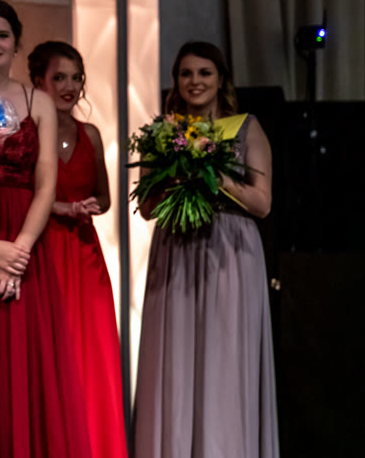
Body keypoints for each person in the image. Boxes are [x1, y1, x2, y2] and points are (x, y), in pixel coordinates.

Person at [0, 0, 91, 458]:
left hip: (26, 240)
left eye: (2, 35)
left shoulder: (37, 102)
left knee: (26, 357)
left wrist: (18, 251)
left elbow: (46, 184)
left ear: (16, 42)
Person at [132, 41, 279, 458]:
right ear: (176, 81)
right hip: (176, 249)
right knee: (176, 358)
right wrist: (173, 174)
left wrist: (213, 172)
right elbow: (147, 208)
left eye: (204, 73)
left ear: (221, 80)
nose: (194, 81)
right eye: (186, 74)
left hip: (230, 252)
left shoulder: (246, 127)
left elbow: (262, 203)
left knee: (225, 357)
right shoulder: (161, 133)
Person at [29, 41, 128, 458]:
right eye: (59, 78)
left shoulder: (91, 134)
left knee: (95, 355)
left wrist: (90, 206)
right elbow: (25, 194)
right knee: (55, 351)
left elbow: (105, 197)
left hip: (85, 255)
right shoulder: (28, 133)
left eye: (76, 78)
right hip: (44, 248)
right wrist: (61, 208)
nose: (69, 86)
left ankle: (96, 444)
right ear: (39, 82)